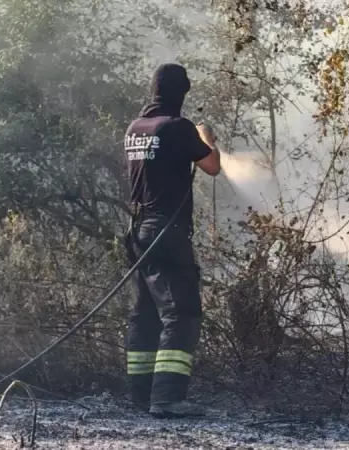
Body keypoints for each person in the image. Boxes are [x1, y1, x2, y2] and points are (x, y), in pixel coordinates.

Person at [122, 62, 221, 418]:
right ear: (182, 92)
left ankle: (140, 396)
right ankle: (166, 398)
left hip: (138, 232)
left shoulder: (136, 128)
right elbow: (211, 166)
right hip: (167, 232)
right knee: (183, 313)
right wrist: (206, 134)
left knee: (145, 315)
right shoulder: (178, 128)